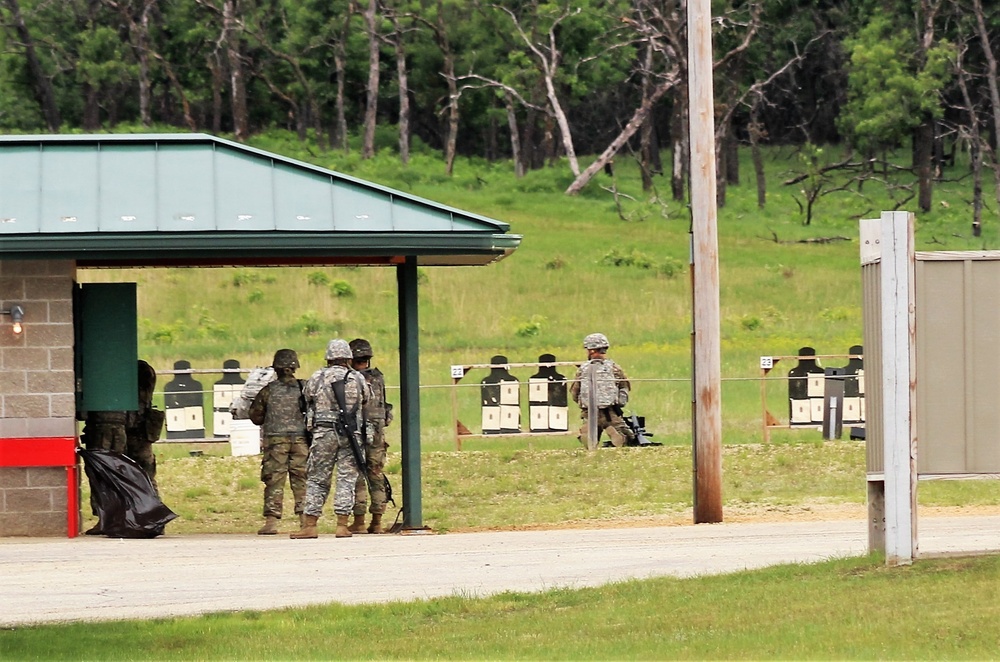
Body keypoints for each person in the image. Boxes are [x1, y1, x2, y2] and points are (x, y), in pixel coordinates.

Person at [291, 339, 370, 539]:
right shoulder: (357, 378)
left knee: (317, 478)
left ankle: (310, 525)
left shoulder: (317, 377)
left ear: (328, 357)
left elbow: (307, 396)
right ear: (348, 357)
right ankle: (342, 525)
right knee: (347, 478)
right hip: (351, 435)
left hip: (324, 433)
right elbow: (366, 399)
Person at [248, 349, 310, 535]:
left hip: (276, 441)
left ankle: (271, 522)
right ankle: (305, 520)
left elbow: (255, 416)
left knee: (274, 480)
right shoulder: (304, 388)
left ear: (276, 367)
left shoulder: (268, 390)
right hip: (301, 440)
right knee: (302, 479)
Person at [347, 338, 393, 534]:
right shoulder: (378, 378)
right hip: (376, 433)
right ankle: (377, 521)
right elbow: (385, 409)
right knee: (376, 474)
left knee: (357, 474)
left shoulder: (349, 378)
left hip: (356, 431)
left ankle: (359, 521)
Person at [569, 333, 636, 448]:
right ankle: (614, 434)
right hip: (611, 412)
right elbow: (624, 386)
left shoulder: (583, 369)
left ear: (590, 350)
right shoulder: (614, 368)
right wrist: (619, 403)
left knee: (589, 437)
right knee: (625, 439)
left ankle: (590, 441)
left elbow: (575, 392)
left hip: (589, 412)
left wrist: (583, 404)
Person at [124, 360, 166, 494]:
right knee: (146, 474)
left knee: (144, 473)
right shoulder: (144, 371)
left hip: (138, 431)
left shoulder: (141, 371)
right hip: (140, 432)